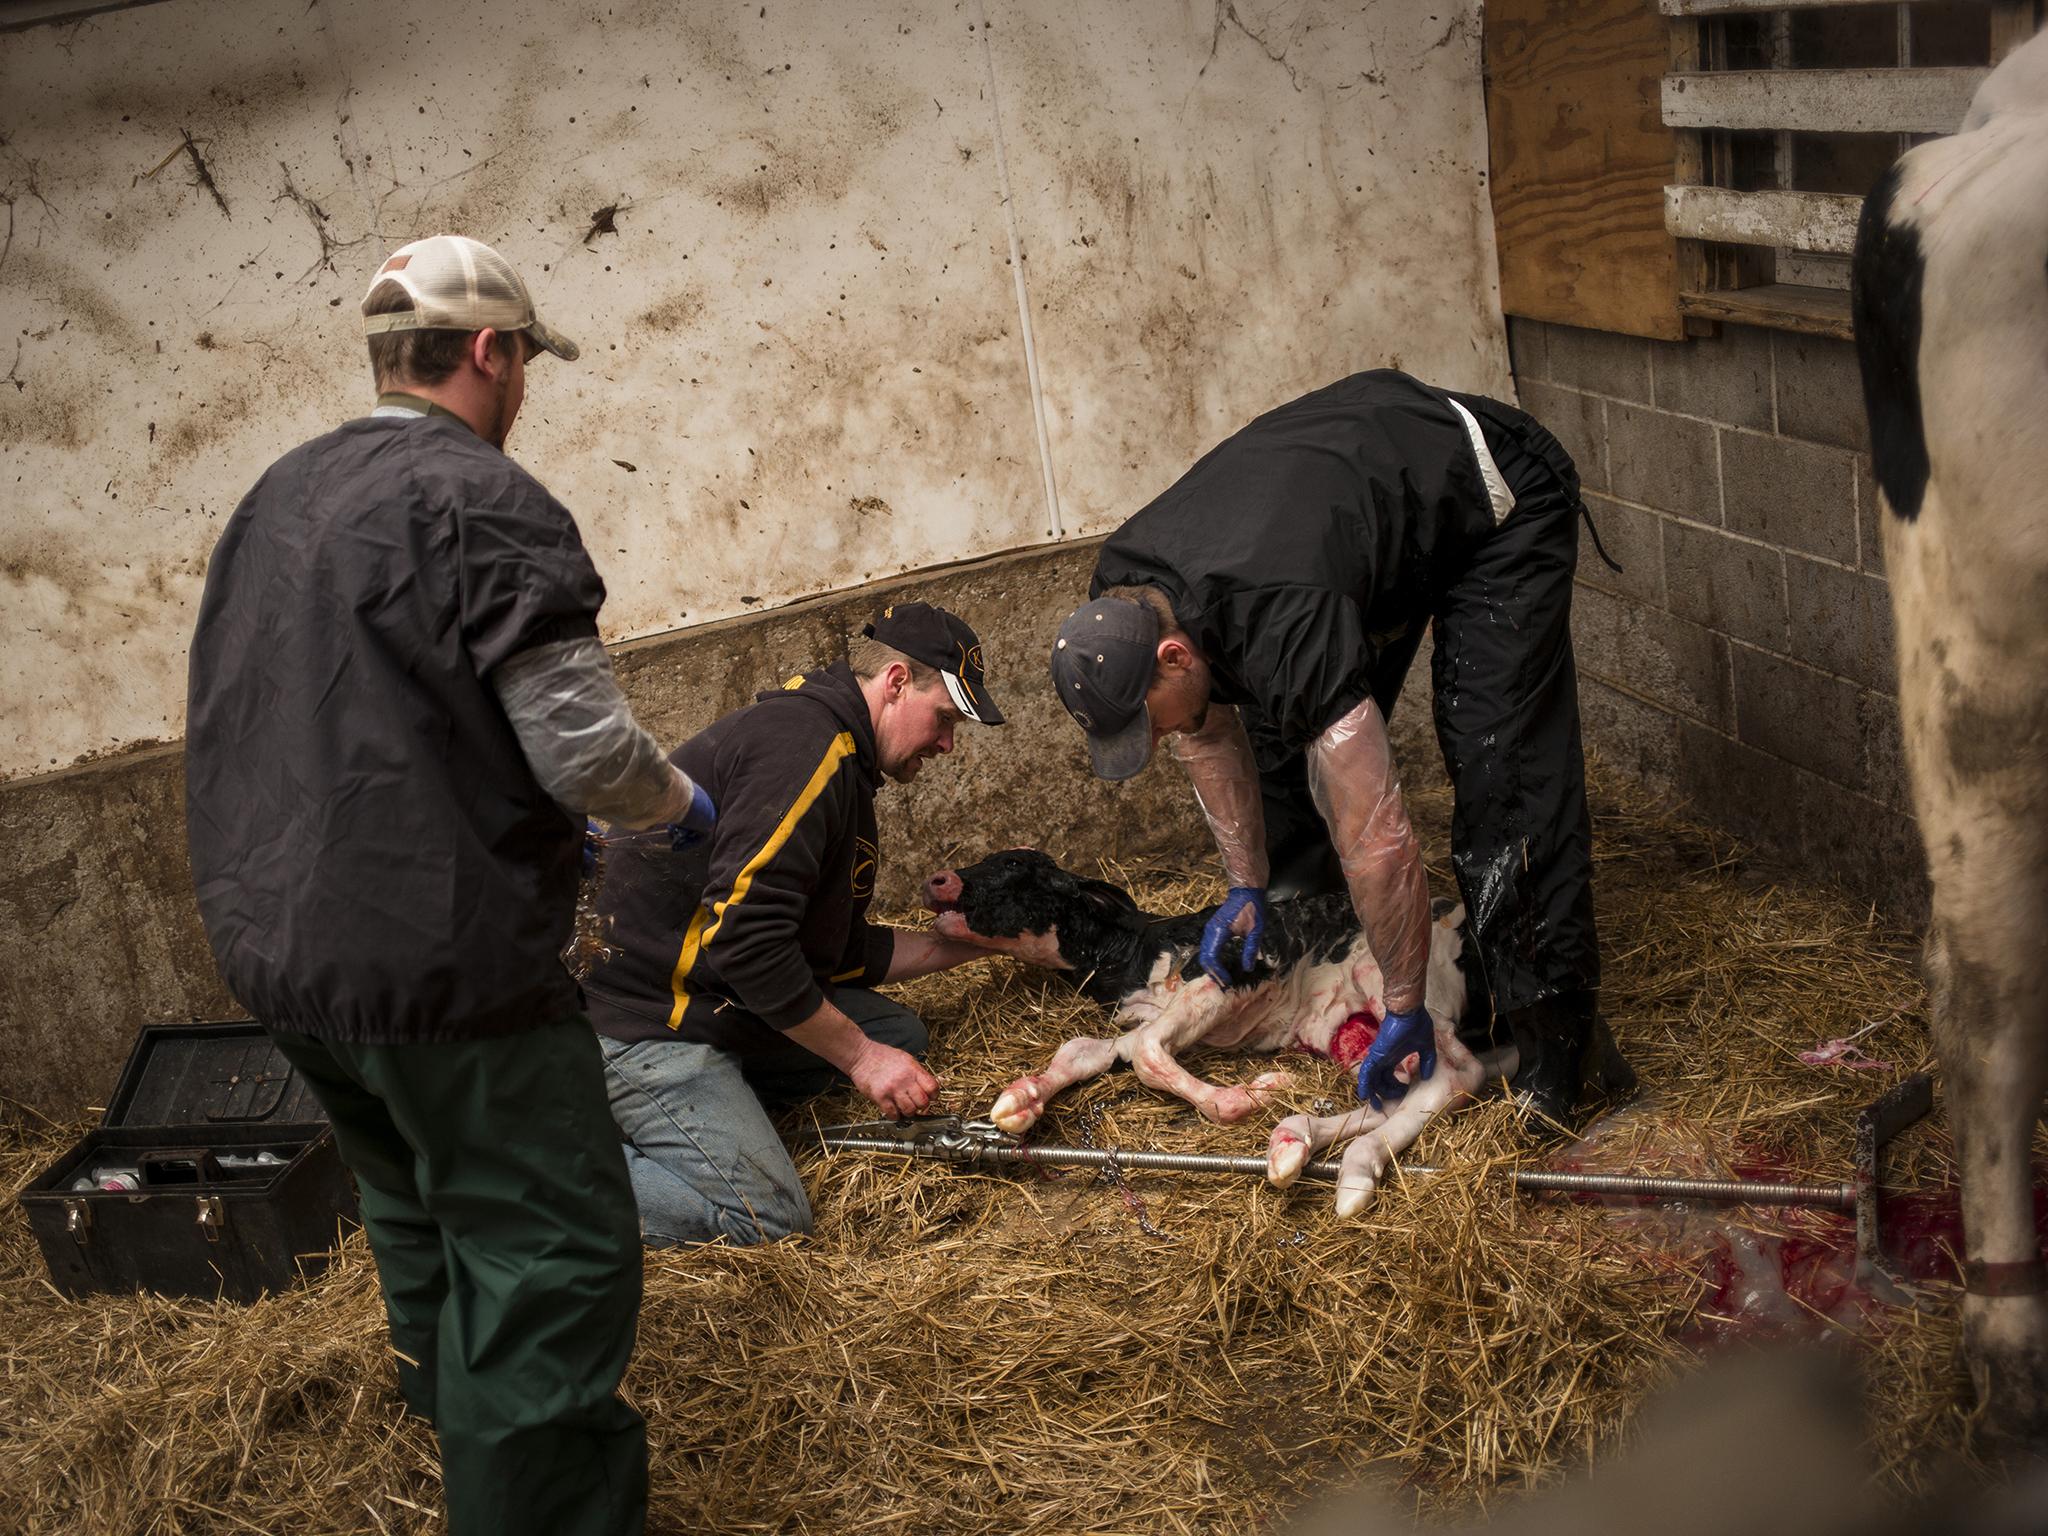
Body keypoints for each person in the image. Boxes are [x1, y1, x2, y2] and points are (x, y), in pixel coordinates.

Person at [185, 234, 705, 1536]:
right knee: (551, 1255)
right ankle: (528, 1503)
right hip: (442, 968)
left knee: (415, 1201)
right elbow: (581, 744)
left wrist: (507, 821)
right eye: (523, 359)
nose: (524, 387)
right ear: (489, 351)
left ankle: (450, 1421)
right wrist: (674, 807)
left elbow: (358, 721)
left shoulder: (280, 498)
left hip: (285, 955)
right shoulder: (482, 498)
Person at [1049, 368, 1630, 1131]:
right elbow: (1207, 730)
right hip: (1354, 528)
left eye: (1145, 723)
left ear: (1174, 657)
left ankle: (1560, 1050)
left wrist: (1404, 1005)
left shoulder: (1279, 621)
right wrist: (1246, 886)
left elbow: (1377, 837)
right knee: (1283, 766)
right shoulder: (1122, 600)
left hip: (1493, 494)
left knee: (1505, 777)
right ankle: (1317, 966)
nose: (1151, 741)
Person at [581, 602, 1003, 1245]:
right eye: (945, 718)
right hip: (644, 1015)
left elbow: (829, 949)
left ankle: (712, 1119)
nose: (947, 744)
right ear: (895, 682)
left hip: (711, 991)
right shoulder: (808, 750)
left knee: (900, 1033)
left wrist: (974, 946)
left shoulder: (839, 756)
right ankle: (528, 1174)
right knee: (768, 1217)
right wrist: (861, 1060)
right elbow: (749, 943)